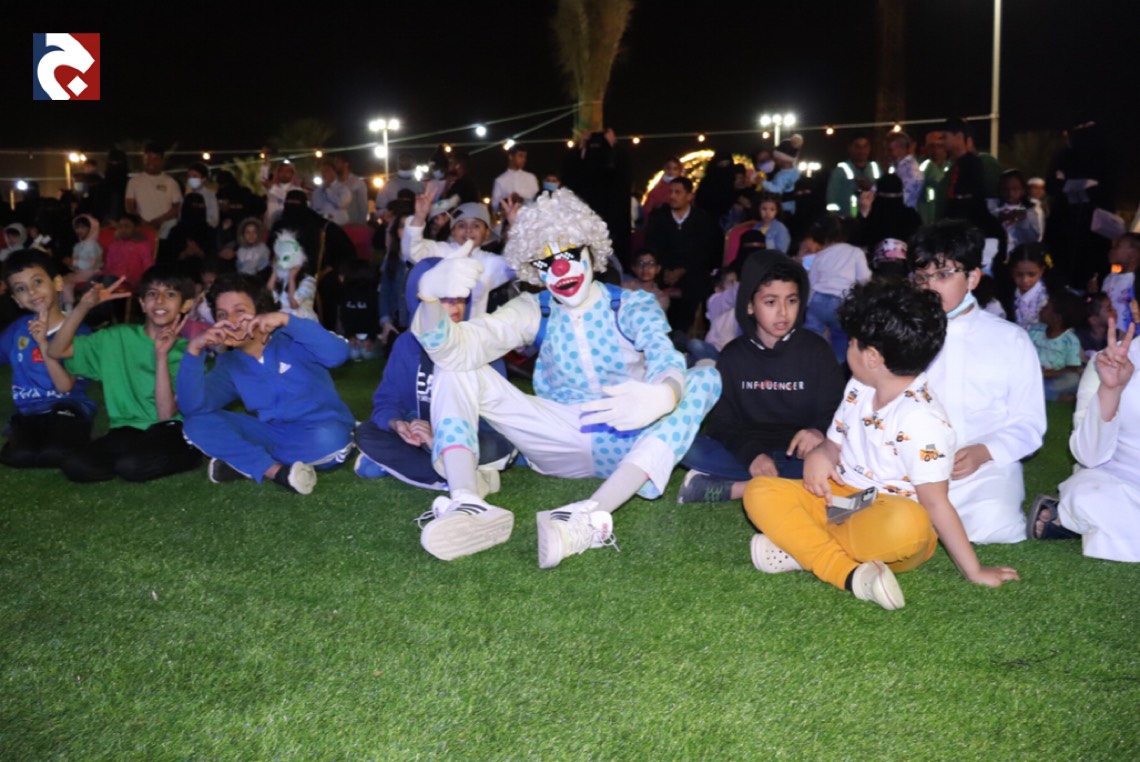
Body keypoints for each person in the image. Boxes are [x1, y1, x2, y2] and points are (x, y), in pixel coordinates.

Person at [408, 189, 721, 565]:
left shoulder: (630, 304)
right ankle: (466, 502)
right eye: (546, 261)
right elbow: (456, 349)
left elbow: (663, 353)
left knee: (705, 376)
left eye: (570, 254)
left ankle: (590, 517)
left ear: (592, 252)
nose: (560, 269)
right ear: (536, 270)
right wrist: (430, 301)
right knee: (457, 367)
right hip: (556, 438)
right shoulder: (533, 309)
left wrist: (664, 395)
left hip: (632, 440)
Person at [742, 279, 1021, 610]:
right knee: (759, 491)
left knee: (908, 527)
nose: (847, 349)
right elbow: (833, 444)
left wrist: (973, 570)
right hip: (841, 502)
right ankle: (842, 569)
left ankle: (802, 547)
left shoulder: (922, 420)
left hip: (887, 513)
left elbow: (936, 504)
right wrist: (820, 454)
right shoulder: (858, 387)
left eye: (852, 343)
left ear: (872, 357)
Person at [909, 221, 1046, 543]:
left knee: (993, 523)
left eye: (943, 275)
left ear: (972, 277)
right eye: (922, 277)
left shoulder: (1010, 339)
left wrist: (985, 451)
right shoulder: (902, 334)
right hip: (912, 464)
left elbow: (1029, 422)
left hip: (983, 471)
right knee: (885, 521)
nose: (930, 287)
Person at [678, 250, 844, 504]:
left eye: (791, 300)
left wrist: (818, 431)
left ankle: (737, 489)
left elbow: (838, 412)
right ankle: (787, 486)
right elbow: (722, 422)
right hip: (747, 453)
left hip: (802, 457)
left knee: (845, 459)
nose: (783, 312)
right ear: (749, 305)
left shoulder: (817, 350)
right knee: (686, 445)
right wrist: (752, 456)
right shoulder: (733, 356)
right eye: (770, 302)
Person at [175, 273, 353, 494]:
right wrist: (194, 351)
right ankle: (275, 471)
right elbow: (193, 407)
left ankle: (245, 461)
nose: (231, 321)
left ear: (260, 312)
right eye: (222, 315)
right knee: (196, 423)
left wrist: (287, 320)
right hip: (271, 435)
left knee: (330, 441)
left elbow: (338, 354)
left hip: (320, 430)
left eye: (240, 311)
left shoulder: (291, 339)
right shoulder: (229, 364)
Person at [354, 258, 516, 491]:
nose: (455, 306)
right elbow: (387, 401)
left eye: (460, 298)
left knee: (498, 446)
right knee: (367, 432)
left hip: (473, 438)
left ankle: (436, 469)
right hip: (421, 436)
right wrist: (398, 424)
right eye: (443, 298)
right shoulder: (406, 344)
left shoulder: (479, 340)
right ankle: (455, 477)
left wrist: (440, 439)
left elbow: (499, 418)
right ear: (420, 300)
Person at [47, 267, 203, 482]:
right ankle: (135, 455)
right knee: (76, 466)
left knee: (131, 467)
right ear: (142, 303)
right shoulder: (116, 337)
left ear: (185, 305)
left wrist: (161, 357)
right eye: (152, 293)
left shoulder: (189, 352)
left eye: (170, 294)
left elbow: (166, 415)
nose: (159, 300)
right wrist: (84, 307)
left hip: (170, 428)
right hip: (126, 429)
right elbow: (56, 351)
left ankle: (190, 454)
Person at [1031, 304, 1138, 560]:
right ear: (1136, 308)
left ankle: (1073, 522)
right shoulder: (1111, 360)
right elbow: (1090, 456)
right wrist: (1111, 390)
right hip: (1121, 480)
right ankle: (1083, 518)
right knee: (1087, 493)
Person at [0, 250, 96, 467]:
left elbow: (65, 386)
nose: (32, 292)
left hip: (69, 406)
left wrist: (43, 343)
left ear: (57, 283)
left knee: (55, 454)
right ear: (16, 300)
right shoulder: (17, 330)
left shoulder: (79, 331)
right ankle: (20, 427)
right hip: (29, 410)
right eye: (21, 288)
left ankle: (73, 433)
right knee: (18, 457)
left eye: (38, 281)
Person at [402, 191, 513, 318]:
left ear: (486, 233)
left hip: (471, 329)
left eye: (476, 226)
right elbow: (413, 250)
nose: (468, 230)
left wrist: (518, 225)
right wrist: (419, 217)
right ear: (453, 231)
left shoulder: (490, 262)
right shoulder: (441, 251)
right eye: (461, 225)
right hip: (438, 327)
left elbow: (519, 265)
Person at [644, 176, 723, 334]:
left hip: (691, 270)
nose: (672, 196)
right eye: (670, 192)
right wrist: (665, 269)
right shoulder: (658, 216)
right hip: (662, 269)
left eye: (678, 192)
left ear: (689, 196)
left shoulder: (703, 219)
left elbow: (705, 251)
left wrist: (682, 270)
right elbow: (652, 247)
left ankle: (682, 332)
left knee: (697, 286)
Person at [803, 214, 871, 363]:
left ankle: (807, 363)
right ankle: (837, 368)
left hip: (819, 300)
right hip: (842, 301)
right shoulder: (855, 252)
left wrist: (807, 304)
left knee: (811, 335)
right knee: (841, 337)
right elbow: (864, 279)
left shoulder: (821, 255)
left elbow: (811, 281)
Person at [1029, 289, 1086, 402]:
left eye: (1046, 307)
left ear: (1057, 318)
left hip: (1056, 377)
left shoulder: (1070, 340)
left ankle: (1048, 394)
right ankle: (1056, 396)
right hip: (1034, 374)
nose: (1042, 308)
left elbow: (1072, 368)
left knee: (1073, 379)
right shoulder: (1035, 330)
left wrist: (1050, 373)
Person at [125, 144, 182, 241]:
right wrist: (142, 222)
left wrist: (159, 221)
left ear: (162, 160)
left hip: (166, 230)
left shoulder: (171, 182)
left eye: (155, 158)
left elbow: (177, 207)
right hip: (143, 230)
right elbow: (129, 206)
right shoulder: (134, 182)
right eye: (148, 158)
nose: (151, 162)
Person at [825, 135, 881, 217]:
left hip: (872, 219)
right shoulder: (840, 171)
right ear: (850, 148)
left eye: (865, 146)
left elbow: (882, 192)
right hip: (847, 219)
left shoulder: (875, 168)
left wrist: (870, 187)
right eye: (857, 147)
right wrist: (835, 218)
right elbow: (832, 199)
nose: (862, 151)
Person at [1097, 233, 1138, 334]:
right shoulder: (1108, 278)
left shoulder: (1135, 282)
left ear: (1133, 254)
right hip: (1105, 334)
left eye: (1117, 246)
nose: (1112, 250)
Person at [1007, 242, 1053, 329]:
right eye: (1019, 274)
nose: (1025, 280)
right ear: (1012, 271)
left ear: (1042, 271)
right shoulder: (1006, 293)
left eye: (1031, 275)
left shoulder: (1049, 299)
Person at [762, 135, 803, 216]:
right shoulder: (795, 171)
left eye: (776, 159)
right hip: (793, 206)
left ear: (782, 159)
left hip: (783, 208)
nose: (775, 161)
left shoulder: (781, 175)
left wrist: (763, 182)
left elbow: (777, 190)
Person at [491, 145, 539, 212]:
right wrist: (510, 199)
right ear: (511, 157)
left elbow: (538, 201)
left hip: (529, 216)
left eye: (525, 157)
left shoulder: (531, 178)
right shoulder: (500, 180)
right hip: (509, 217)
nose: (524, 160)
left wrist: (522, 200)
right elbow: (495, 206)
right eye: (520, 156)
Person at [886, 132, 924, 209]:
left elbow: (901, 200)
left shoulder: (909, 171)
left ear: (901, 149)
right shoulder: (900, 167)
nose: (886, 154)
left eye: (890, 150)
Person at [185, 162, 219, 228]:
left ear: (203, 178)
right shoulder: (186, 196)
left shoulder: (210, 196)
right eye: (189, 176)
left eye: (195, 176)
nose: (191, 179)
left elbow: (214, 220)